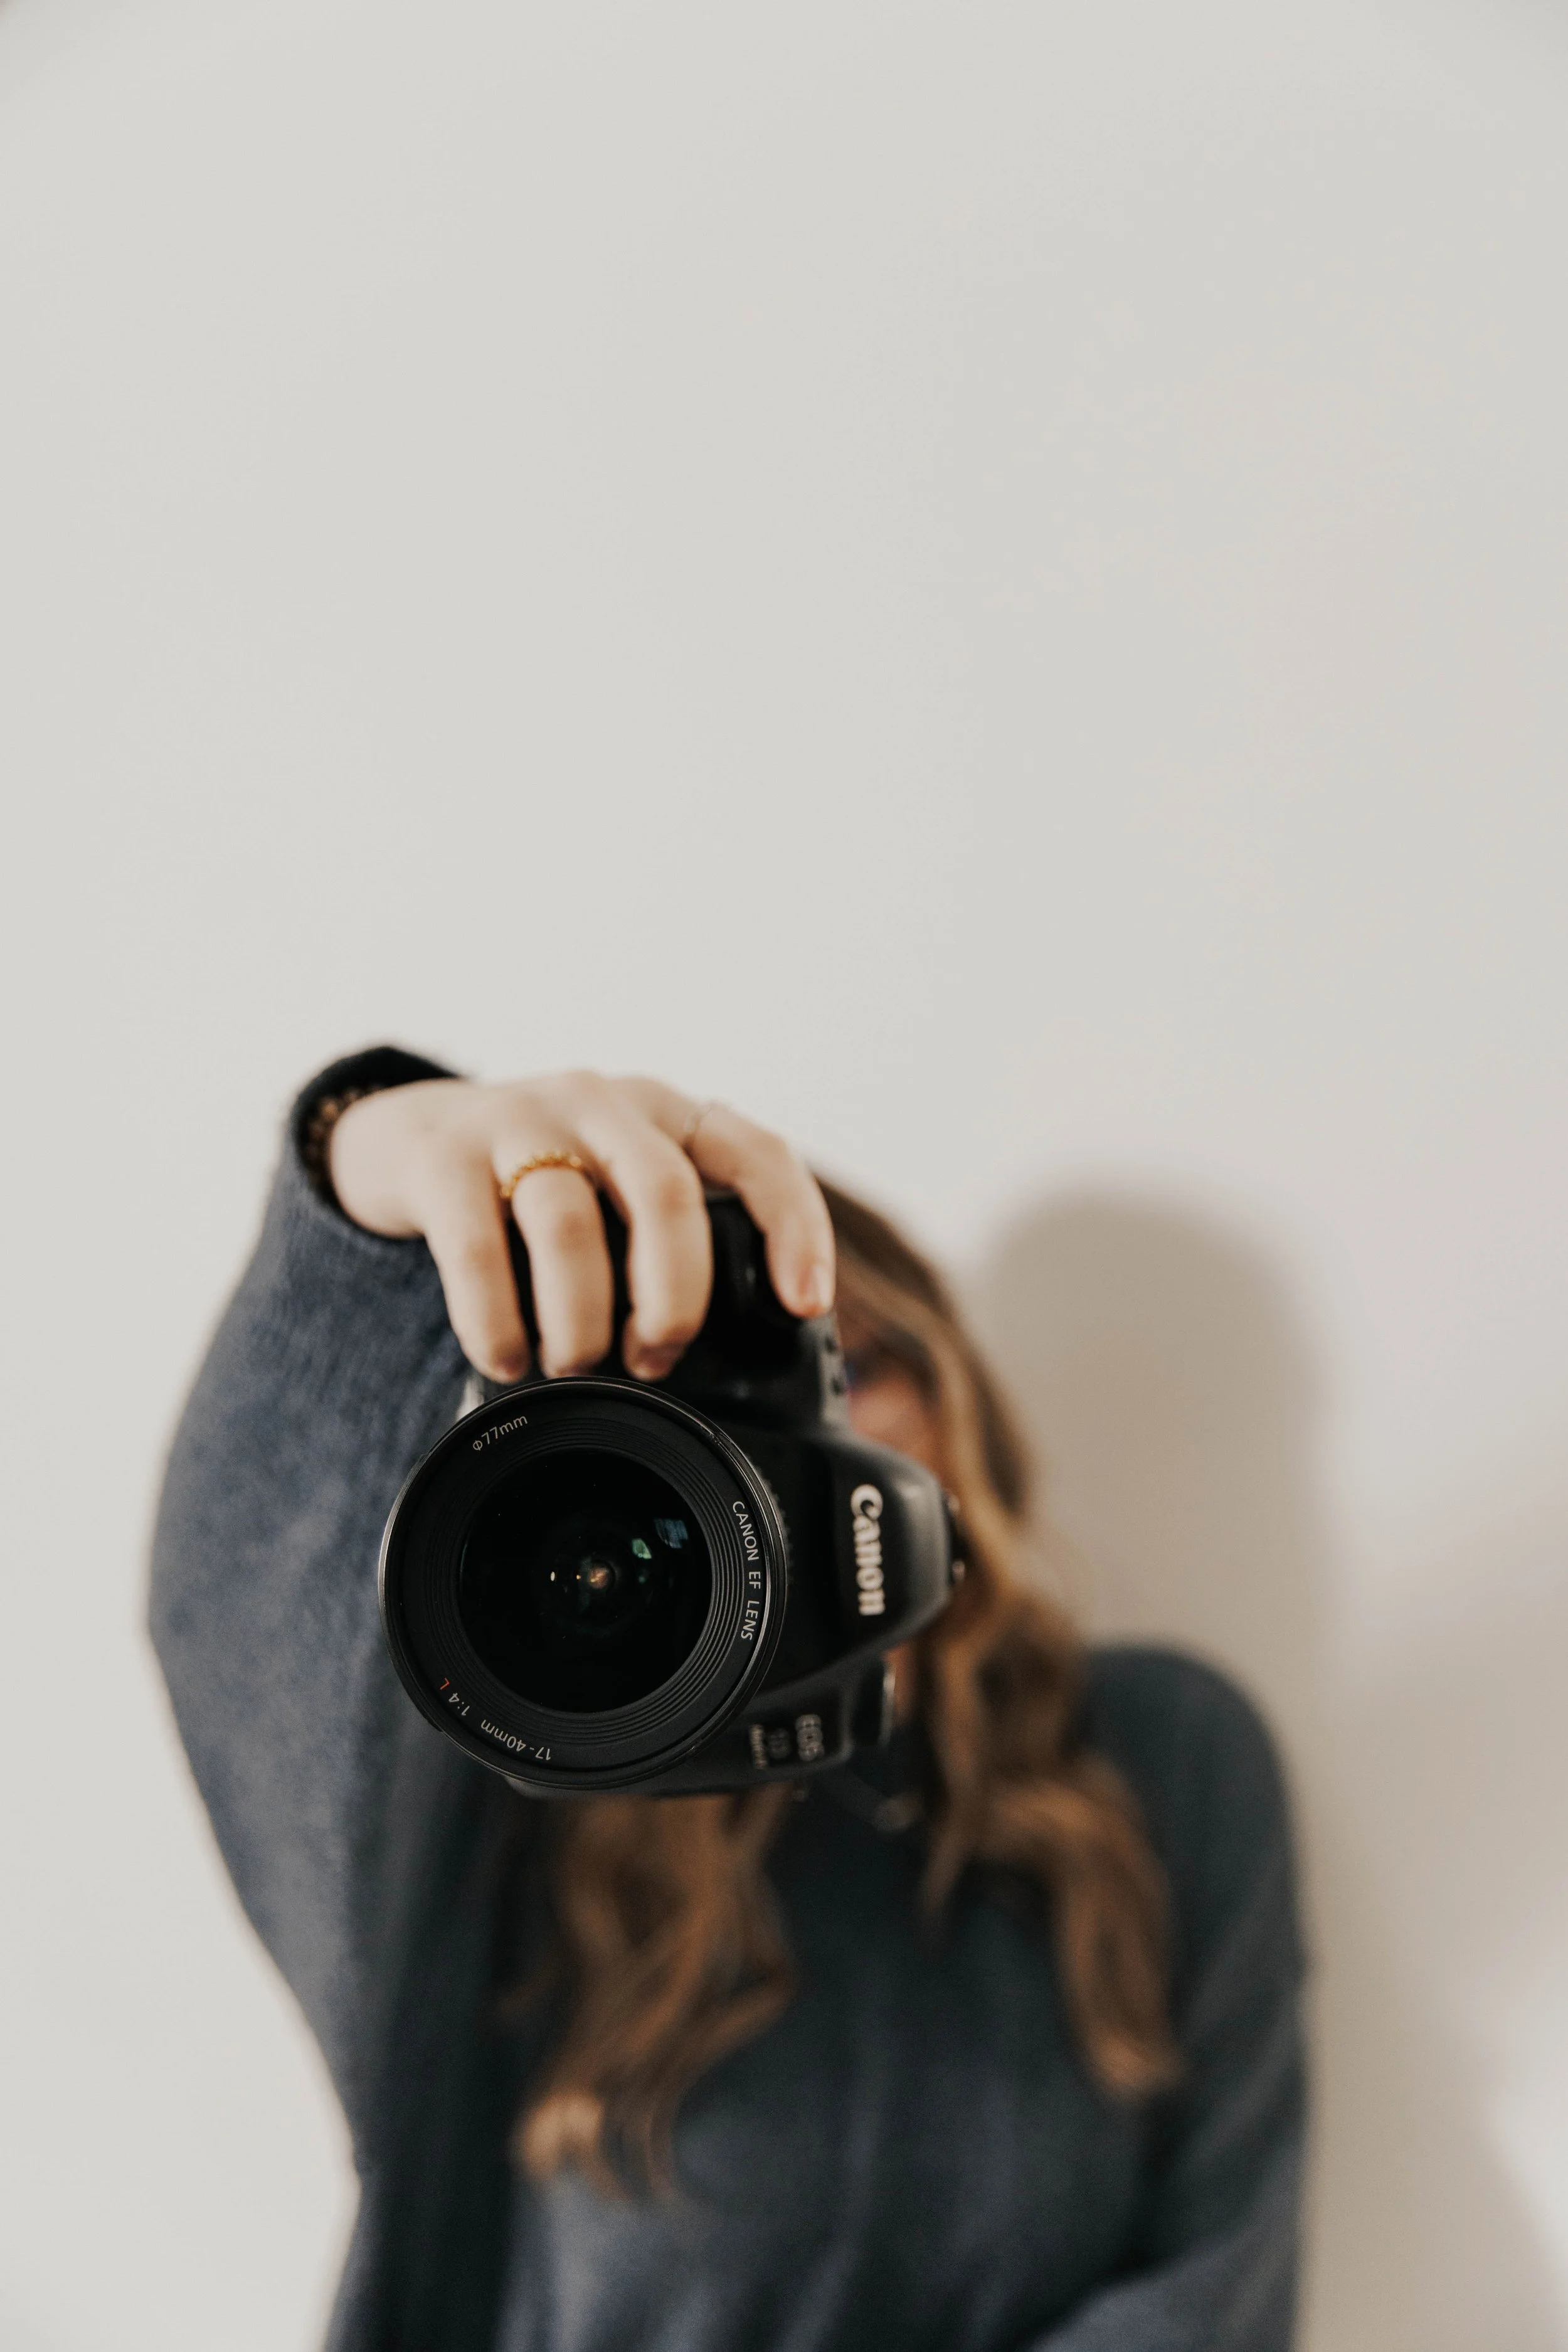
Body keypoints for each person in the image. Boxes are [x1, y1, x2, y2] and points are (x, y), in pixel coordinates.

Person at [151, 1047, 1306, 2352]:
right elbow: (244, 1604)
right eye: (693, 1422)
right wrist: (373, 1165)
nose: (773, 1465)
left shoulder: (1159, 1752)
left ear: (952, 1401)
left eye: (838, 1371)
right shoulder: (513, 1777)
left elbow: (1218, 2293)